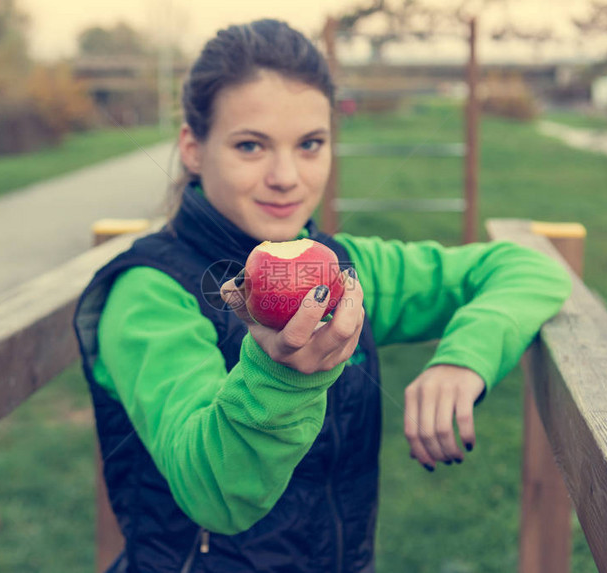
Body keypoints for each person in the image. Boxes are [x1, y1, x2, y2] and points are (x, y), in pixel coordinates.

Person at [73, 18, 572, 573]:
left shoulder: (343, 269)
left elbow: (528, 268)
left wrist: (463, 359)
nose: (286, 176)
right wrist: (280, 379)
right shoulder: (150, 295)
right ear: (193, 148)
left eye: (310, 144)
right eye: (250, 145)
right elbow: (213, 492)